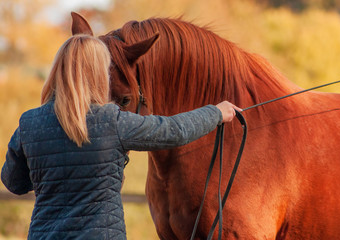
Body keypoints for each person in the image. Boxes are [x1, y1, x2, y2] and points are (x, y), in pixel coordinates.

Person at [1, 34, 242, 240]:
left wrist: (52, 169)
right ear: (97, 72)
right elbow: (174, 130)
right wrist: (216, 112)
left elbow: (14, 183)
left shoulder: (28, 123)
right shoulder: (111, 121)